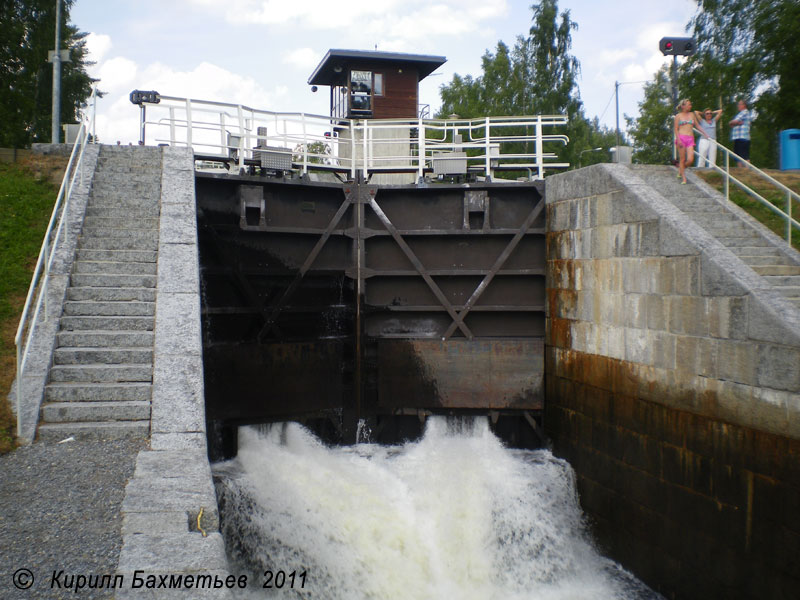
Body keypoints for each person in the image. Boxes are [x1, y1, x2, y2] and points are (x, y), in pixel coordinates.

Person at [674, 99, 698, 184]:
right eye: (688, 104)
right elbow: (676, 129)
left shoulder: (692, 114)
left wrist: (705, 134)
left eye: (690, 104)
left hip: (690, 138)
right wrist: (679, 140)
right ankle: (684, 178)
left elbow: (697, 126)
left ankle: (681, 169)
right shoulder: (678, 116)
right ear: (683, 106)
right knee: (682, 159)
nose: (690, 106)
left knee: (691, 159)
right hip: (681, 137)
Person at [729, 99, 752, 166]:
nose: (738, 106)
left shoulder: (744, 112)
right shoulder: (741, 113)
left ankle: (747, 171)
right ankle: (741, 171)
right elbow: (733, 124)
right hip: (739, 137)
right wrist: (735, 123)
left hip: (743, 137)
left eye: (739, 104)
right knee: (738, 156)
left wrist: (733, 122)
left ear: (744, 105)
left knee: (744, 156)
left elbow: (734, 121)